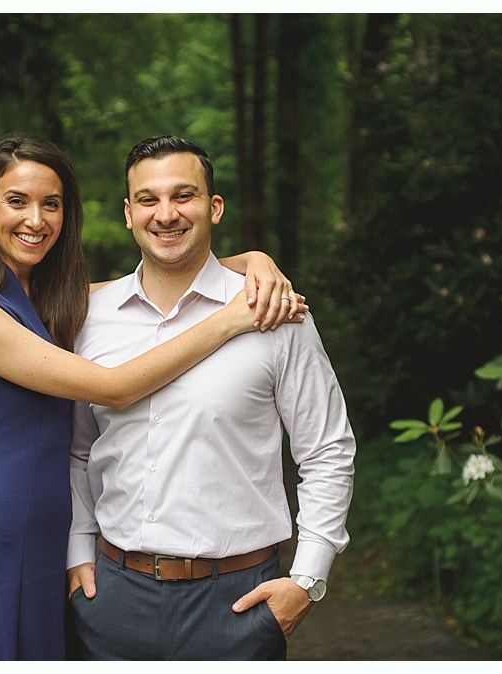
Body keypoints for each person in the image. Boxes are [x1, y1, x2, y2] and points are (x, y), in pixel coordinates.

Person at [0, 133, 303, 660]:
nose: (36, 220)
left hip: (44, 541)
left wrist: (254, 260)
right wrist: (229, 320)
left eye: (51, 204)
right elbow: (116, 387)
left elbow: (161, 273)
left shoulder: (46, 300)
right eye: (16, 201)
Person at [66, 135, 355, 660]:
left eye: (185, 195)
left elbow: (327, 449)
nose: (166, 214)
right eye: (148, 200)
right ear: (128, 214)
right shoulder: (90, 318)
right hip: (109, 599)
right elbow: (78, 449)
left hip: (237, 602)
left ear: (214, 207)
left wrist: (307, 579)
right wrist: (75, 553)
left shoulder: (274, 312)